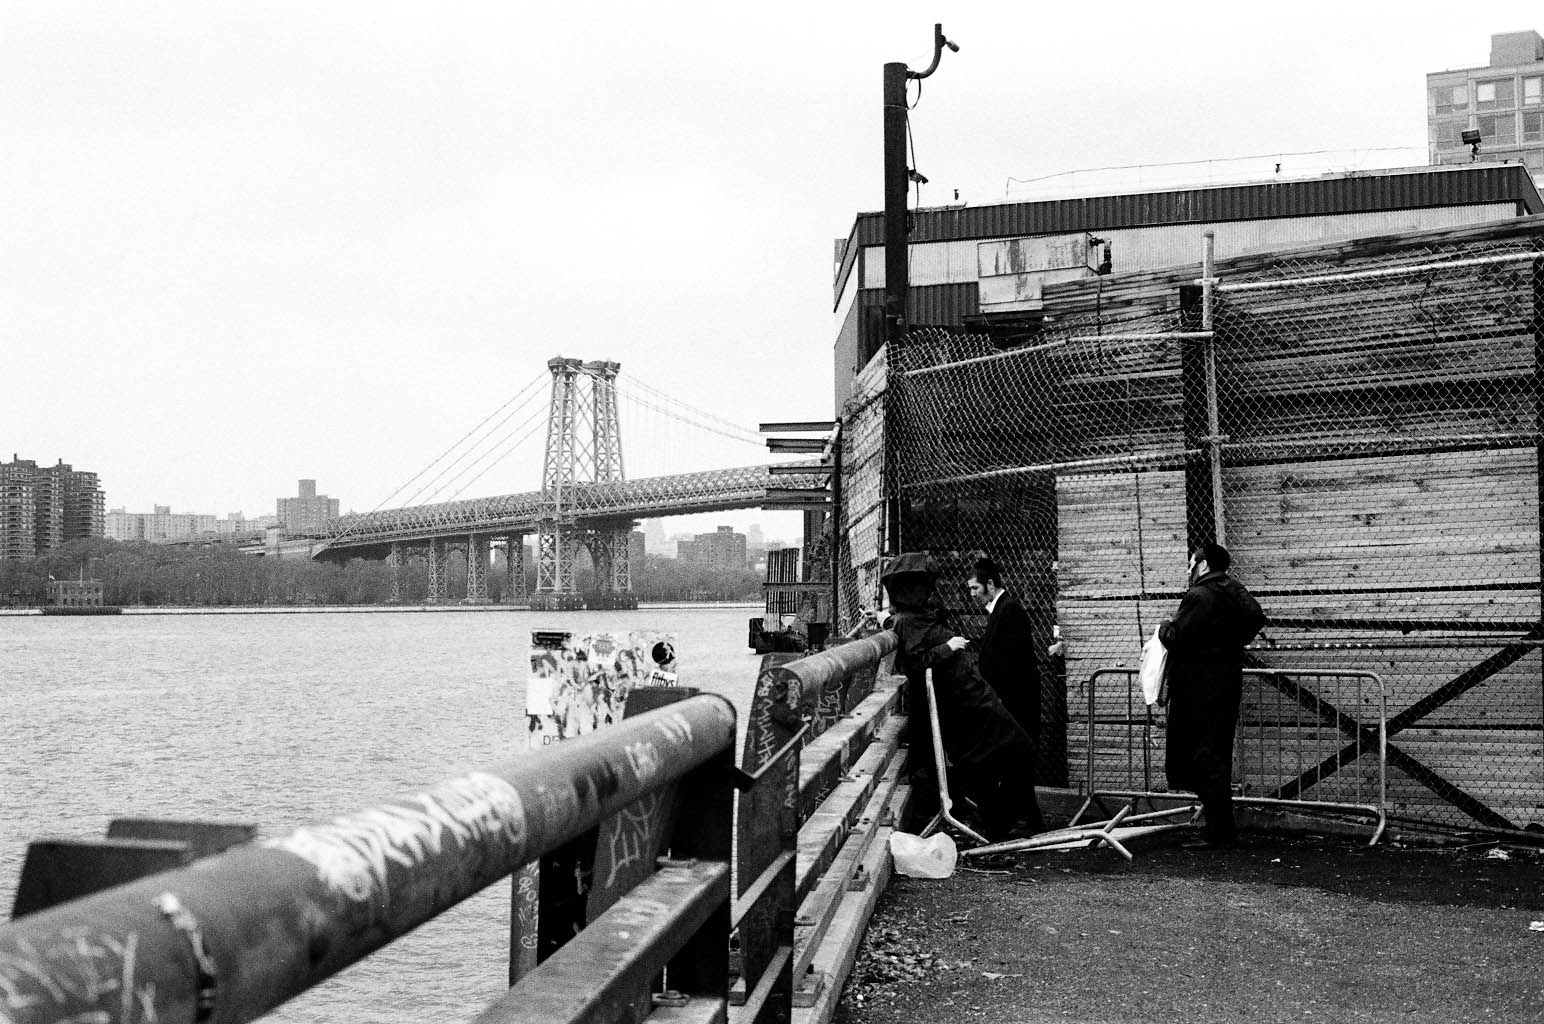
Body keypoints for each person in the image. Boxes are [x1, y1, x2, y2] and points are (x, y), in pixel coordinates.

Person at [883, 552, 1043, 840]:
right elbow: (918, 661)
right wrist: (949, 648)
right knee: (1000, 757)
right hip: (966, 701)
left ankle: (1006, 826)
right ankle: (1004, 828)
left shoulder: (916, 616)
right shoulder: (912, 619)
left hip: (972, 697)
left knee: (1000, 757)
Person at [1159, 541, 1265, 849]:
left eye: (1193, 562)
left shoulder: (1199, 595)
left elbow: (1177, 637)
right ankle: (1220, 829)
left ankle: (1220, 832)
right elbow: (1256, 617)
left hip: (1197, 688)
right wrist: (1231, 644)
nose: (1190, 568)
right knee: (1215, 753)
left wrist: (1165, 627)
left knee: (1201, 757)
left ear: (1203, 564)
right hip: (1225, 684)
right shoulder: (1231, 590)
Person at [968, 557, 1041, 749]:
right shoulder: (1002, 609)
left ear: (990, 584)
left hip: (1014, 701)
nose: (972, 594)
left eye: (975, 588)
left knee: (1016, 753)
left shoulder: (1009, 610)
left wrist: (999, 696)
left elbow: (1012, 660)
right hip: (1008, 699)